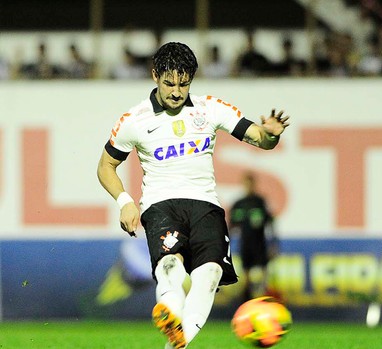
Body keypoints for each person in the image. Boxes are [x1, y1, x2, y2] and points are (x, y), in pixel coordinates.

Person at [96, 42, 290, 349]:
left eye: (184, 84)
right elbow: (106, 165)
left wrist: (271, 134)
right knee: (169, 266)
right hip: (161, 205)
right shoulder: (135, 119)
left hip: (206, 207)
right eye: (169, 83)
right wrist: (125, 201)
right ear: (154, 76)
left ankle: (176, 341)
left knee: (210, 275)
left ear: (192, 80)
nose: (176, 92)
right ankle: (170, 312)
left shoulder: (210, 108)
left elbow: (260, 140)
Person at [229, 172, 278, 301]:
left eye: (250, 183)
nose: (248, 186)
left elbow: (270, 223)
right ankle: (246, 303)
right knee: (246, 278)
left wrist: (273, 243)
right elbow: (231, 226)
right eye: (246, 183)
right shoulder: (239, 204)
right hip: (245, 244)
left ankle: (263, 301)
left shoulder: (260, 202)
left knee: (262, 276)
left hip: (259, 244)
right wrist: (225, 246)